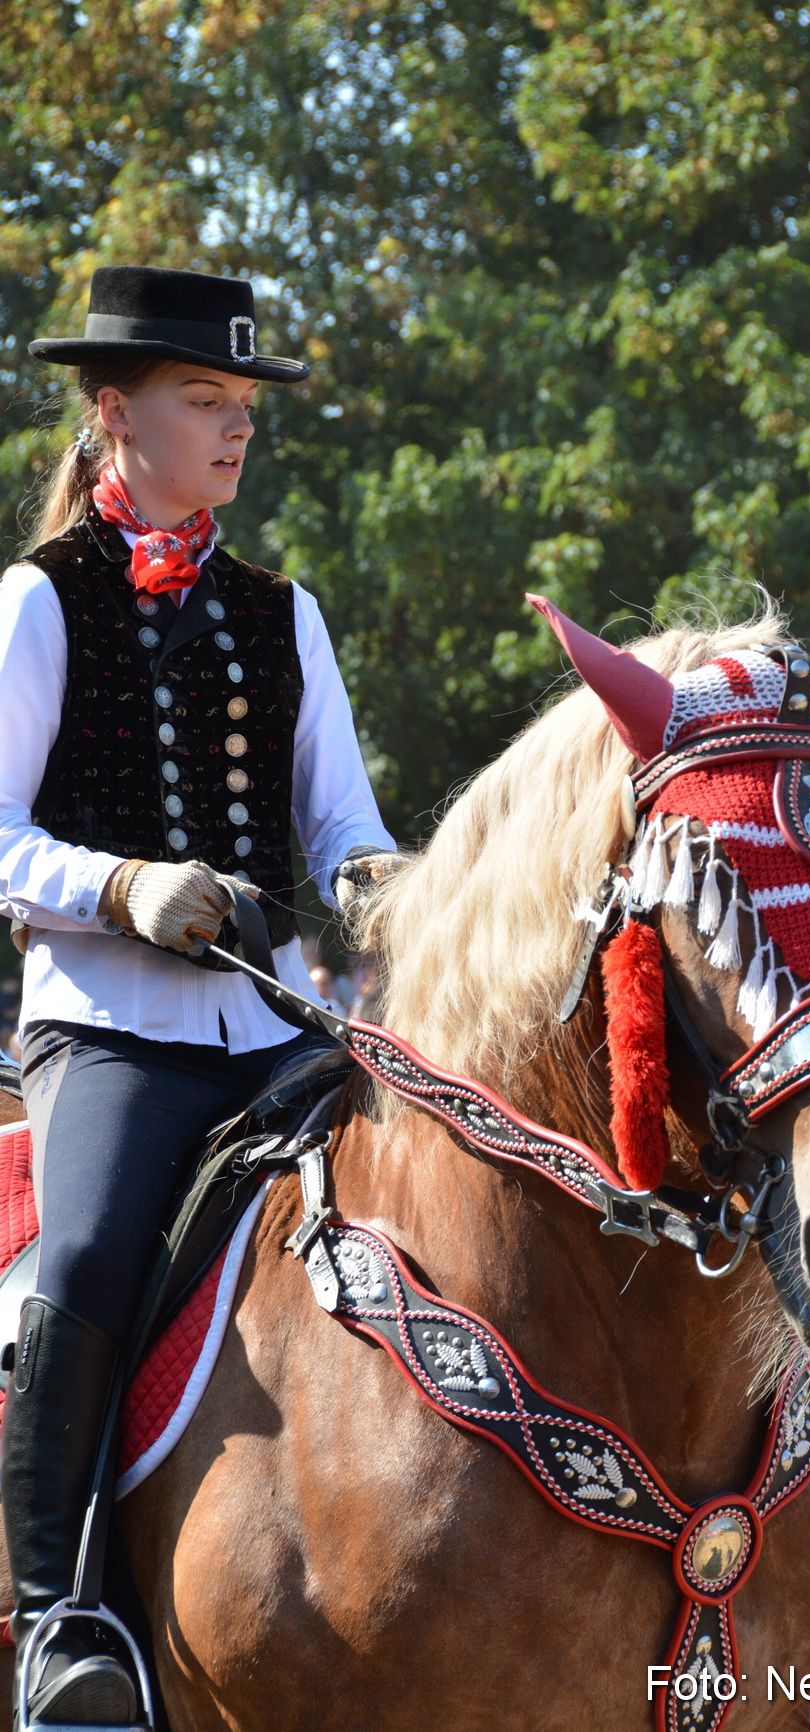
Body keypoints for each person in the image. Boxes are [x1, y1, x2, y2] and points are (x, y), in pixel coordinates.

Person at [0, 266, 395, 1724]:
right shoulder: (39, 602)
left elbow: (344, 826)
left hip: (275, 1032)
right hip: (108, 1031)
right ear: (116, 415)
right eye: (204, 400)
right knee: (91, 1253)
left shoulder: (286, 613)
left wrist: (376, 886)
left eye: (242, 406)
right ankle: (58, 1623)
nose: (234, 430)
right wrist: (120, 887)